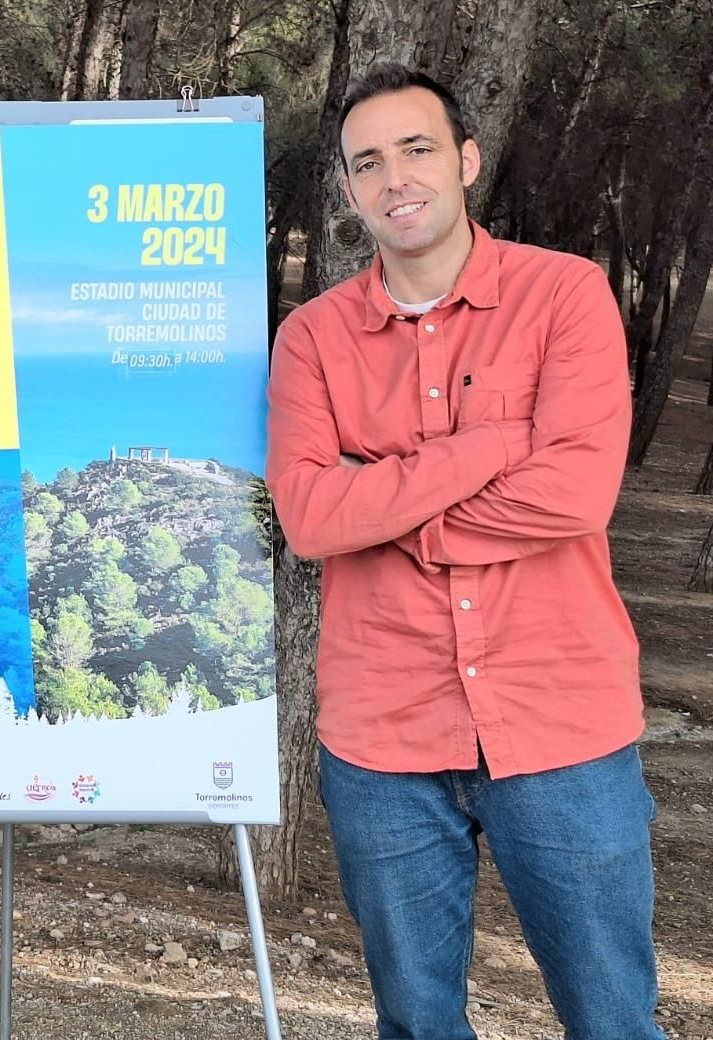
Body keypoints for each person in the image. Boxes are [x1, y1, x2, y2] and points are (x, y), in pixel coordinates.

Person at [265, 63, 663, 1040]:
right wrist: (490, 447)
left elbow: (573, 494)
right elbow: (312, 520)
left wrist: (391, 507)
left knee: (613, 1021)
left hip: (560, 726)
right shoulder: (312, 341)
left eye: (416, 149)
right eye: (367, 163)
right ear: (349, 192)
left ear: (465, 160)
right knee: (414, 1025)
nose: (394, 178)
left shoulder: (564, 296)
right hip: (383, 739)